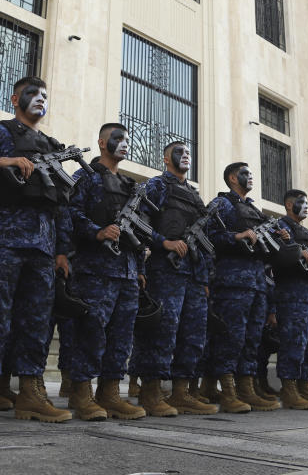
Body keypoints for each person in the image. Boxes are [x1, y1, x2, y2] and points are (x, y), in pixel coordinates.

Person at [0, 77, 72, 425]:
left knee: (37, 323)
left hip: (42, 244)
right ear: (15, 98)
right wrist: (3, 162)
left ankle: (31, 392)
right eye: (33, 94)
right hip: (4, 240)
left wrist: (62, 249)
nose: (40, 100)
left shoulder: (51, 146)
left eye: (45, 95)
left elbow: (62, 203)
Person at [64, 123, 147, 421]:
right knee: (91, 332)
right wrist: (97, 232)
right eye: (118, 139)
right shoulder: (85, 176)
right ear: (101, 142)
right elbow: (69, 213)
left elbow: (139, 231)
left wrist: (139, 268)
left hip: (126, 271)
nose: (124, 144)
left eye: (127, 140)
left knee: (121, 336)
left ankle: (110, 393)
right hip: (95, 270)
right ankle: (81, 392)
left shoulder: (129, 185)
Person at [132, 142, 218, 416]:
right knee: (162, 332)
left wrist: (204, 278)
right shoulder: (156, 186)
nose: (186, 157)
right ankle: (151, 392)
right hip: (166, 271)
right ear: (166, 158)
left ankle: (181, 392)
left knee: (193, 334)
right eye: (180, 153)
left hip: (193, 275)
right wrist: (164, 242)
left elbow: (205, 242)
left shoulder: (194, 196)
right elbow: (139, 223)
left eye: (189, 153)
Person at [205, 162, 281, 413]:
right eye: (246, 174)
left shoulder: (253, 209)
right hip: (232, 283)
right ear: (232, 177)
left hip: (257, 283)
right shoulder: (222, 204)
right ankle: (227, 392)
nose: (251, 178)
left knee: (252, 339)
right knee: (231, 337)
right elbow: (208, 235)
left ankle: (246, 389)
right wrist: (236, 236)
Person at [272, 190, 308, 410]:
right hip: (291, 293)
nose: (306, 207)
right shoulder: (280, 227)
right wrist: (298, 250)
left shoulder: (307, 232)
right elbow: (280, 257)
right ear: (288, 204)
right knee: (294, 341)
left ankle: (306, 385)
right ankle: (289, 387)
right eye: (301, 203)